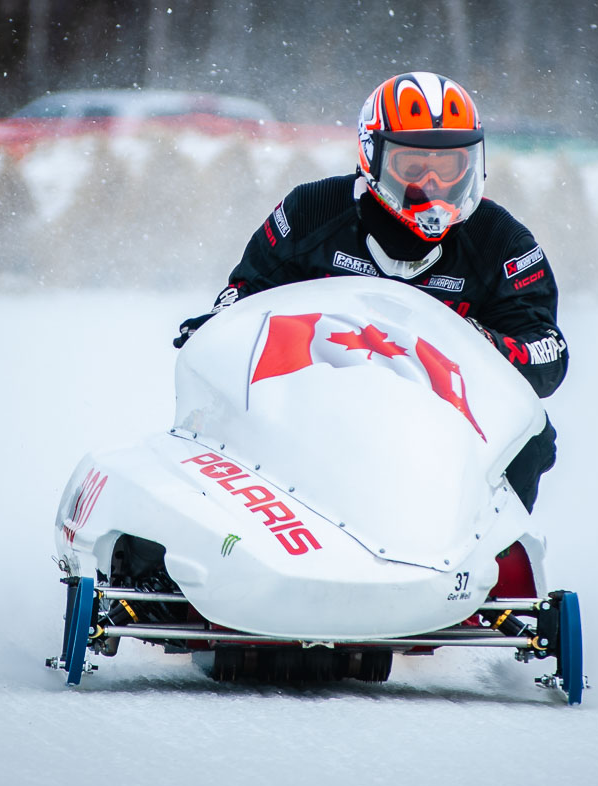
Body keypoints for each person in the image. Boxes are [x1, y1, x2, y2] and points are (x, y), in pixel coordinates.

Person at [174, 71, 567, 512]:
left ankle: (492, 554)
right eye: (413, 168)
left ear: (471, 163)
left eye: (448, 168)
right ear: (372, 155)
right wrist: (214, 327)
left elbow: (548, 355)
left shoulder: (501, 241)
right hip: (312, 401)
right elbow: (243, 295)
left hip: (443, 427)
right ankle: (213, 513)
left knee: (534, 435)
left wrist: (483, 342)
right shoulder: (311, 212)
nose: (432, 186)